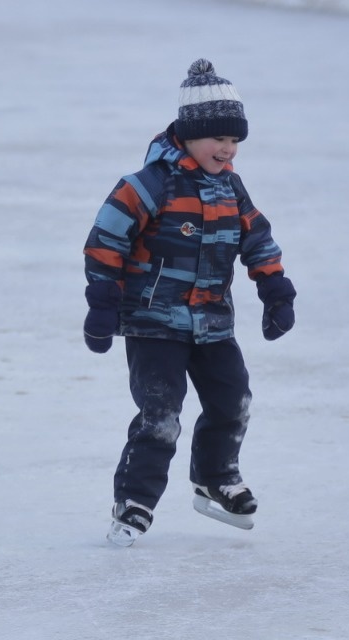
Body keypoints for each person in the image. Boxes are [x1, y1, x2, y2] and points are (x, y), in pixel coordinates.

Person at [82, 59, 296, 546]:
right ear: (189, 134)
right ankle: (133, 502)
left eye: (235, 139)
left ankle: (215, 478)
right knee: (160, 417)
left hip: (213, 324)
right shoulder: (147, 185)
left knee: (233, 401)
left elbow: (257, 239)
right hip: (154, 322)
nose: (227, 148)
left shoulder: (231, 188)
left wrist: (275, 288)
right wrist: (102, 301)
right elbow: (104, 242)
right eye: (218, 138)